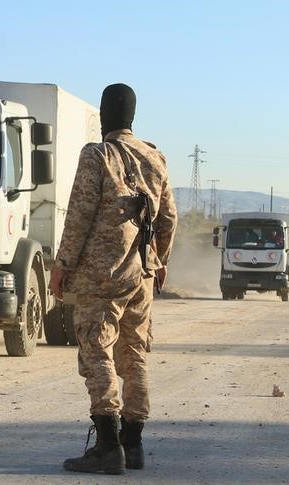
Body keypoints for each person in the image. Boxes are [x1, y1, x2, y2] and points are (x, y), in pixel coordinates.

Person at [50, 83, 177, 475]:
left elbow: (79, 215)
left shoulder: (98, 154)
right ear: (133, 116)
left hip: (100, 274)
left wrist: (62, 266)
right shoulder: (154, 156)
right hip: (141, 272)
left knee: (96, 350)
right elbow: (169, 217)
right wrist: (161, 260)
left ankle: (107, 446)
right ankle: (133, 444)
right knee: (134, 352)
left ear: (104, 115)